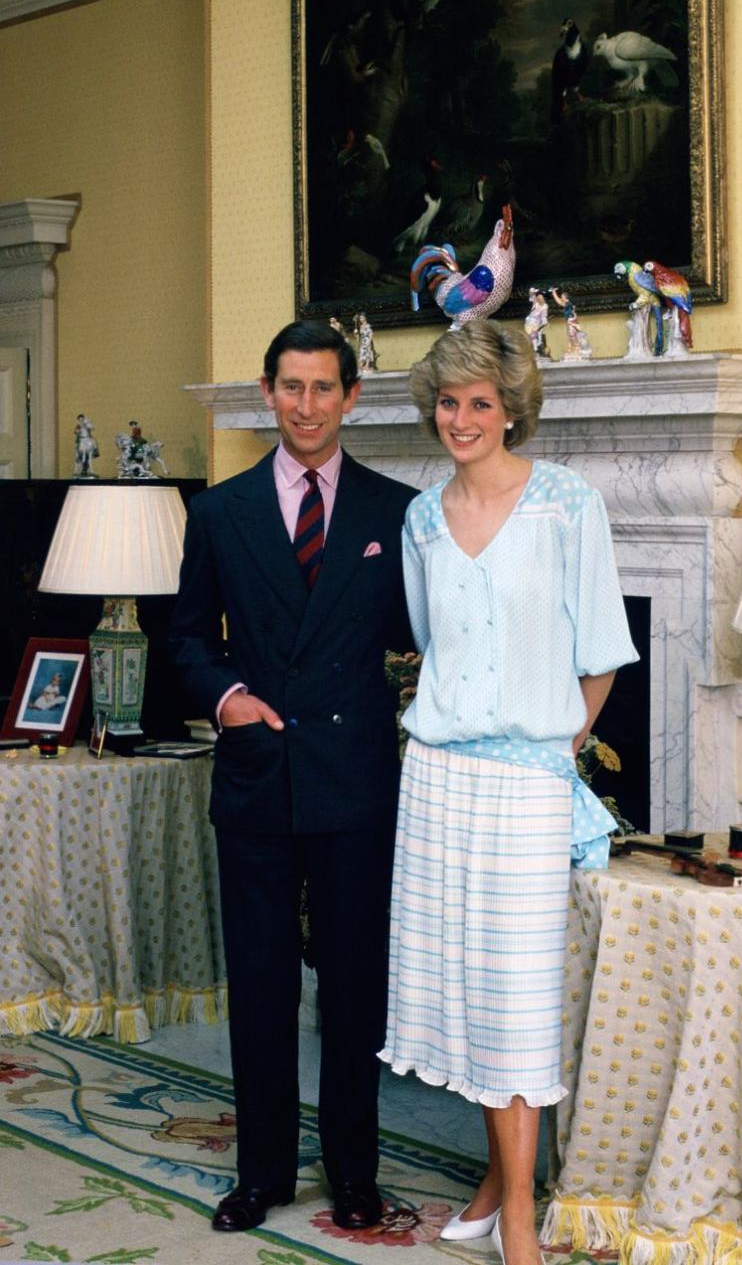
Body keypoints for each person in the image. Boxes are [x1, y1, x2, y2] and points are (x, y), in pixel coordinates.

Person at [379, 320, 637, 1265]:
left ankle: (517, 1216)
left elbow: (602, 654)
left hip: (528, 783)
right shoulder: (418, 518)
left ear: (513, 408)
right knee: (467, 994)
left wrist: (549, 749)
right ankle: (500, 1181)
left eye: (481, 401)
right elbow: (430, 643)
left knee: (518, 999)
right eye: (448, 401)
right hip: (439, 780)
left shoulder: (569, 506)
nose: (461, 418)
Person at [170, 320, 415, 1235]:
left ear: (351, 397)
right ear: (267, 393)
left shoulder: (396, 512)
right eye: (291, 387)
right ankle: (262, 1171)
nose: (307, 406)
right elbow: (185, 637)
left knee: (356, 989)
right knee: (263, 985)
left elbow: (427, 633)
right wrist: (227, 694)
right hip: (257, 778)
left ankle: (355, 1172)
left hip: (355, 781)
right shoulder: (218, 513)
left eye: (323, 388)